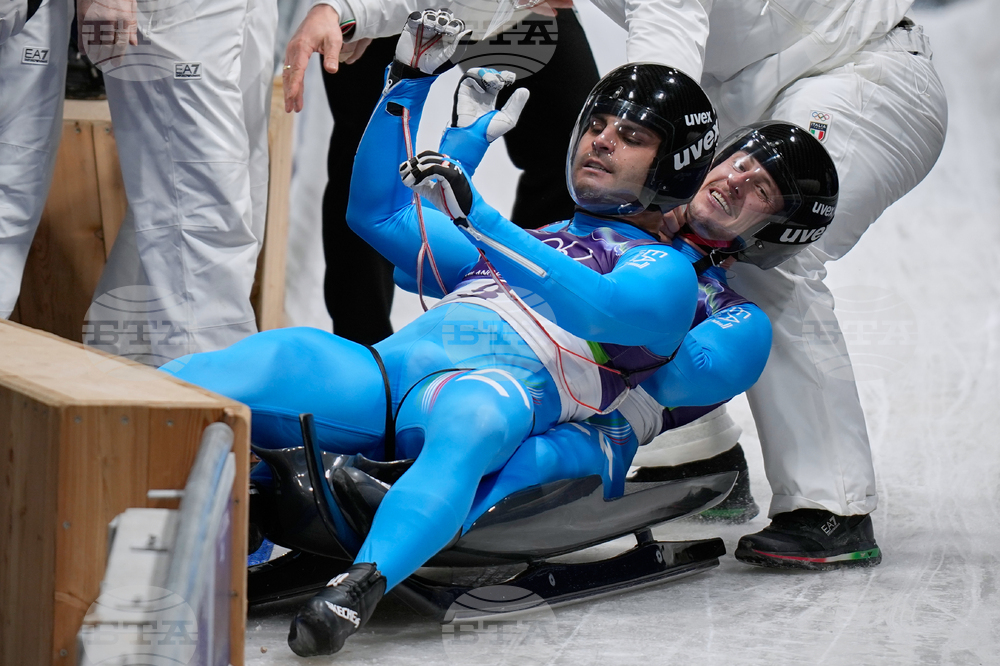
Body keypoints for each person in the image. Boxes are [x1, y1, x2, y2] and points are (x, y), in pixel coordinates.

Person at [284, 0, 949, 571]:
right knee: (661, 250)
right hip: (758, 78)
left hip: (862, 75)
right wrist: (350, 13)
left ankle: (831, 504)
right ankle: (695, 446)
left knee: (750, 252)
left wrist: (653, 191)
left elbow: (662, 68)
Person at [160, 11, 742, 655]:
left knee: (479, 413)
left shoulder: (665, 273)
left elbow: (601, 309)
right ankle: (106, 438)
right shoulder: (536, 240)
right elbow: (375, 213)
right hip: (382, 381)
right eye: (597, 125)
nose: (600, 141)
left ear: (673, 168)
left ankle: (360, 584)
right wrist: (407, 82)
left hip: (480, 394)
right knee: (284, 351)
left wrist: (480, 216)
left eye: (629, 136)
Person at [288, 0, 600, 345]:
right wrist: (358, 11)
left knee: (572, 145)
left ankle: (524, 319)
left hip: (509, 7)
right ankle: (362, 344)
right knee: (368, 150)